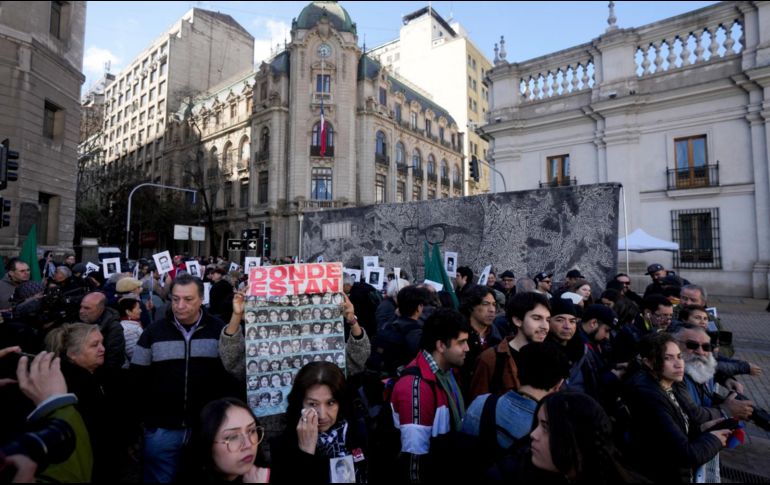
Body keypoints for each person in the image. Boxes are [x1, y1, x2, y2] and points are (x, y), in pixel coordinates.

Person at [131, 273, 239, 483]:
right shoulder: (153, 332)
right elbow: (136, 380)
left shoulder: (219, 331)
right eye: (175, 299)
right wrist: (141, 424)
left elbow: (232, 375)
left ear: (201, 299)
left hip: (205, 428)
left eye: (188, 299)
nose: (180, 305)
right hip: (161, 429)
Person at [623, 333, 728, 483]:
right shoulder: (649, 396)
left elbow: (673, 432)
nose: (679, 364)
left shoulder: (671, 383)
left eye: (679, 356)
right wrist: (715, 440)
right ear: (648, 362)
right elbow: (685, 455)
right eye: (668, 358)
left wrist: (702, 428)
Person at [390, 308, 470, 482]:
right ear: (441, 345)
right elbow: (414, 458)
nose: (467, 348)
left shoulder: (448, 372)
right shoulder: (416, 387)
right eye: (461, 342)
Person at [490, 392, 639, 483]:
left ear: (576, 438)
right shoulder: (511, 472)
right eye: (537, 425)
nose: (533, 435)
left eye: (546, 428)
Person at [45, 323, 122, 482]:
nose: (102, 349)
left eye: (102, 342)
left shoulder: (99, 375)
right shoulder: (70, 385)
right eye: (94, 345)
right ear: (72, 354)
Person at [270, 362, 368, 483]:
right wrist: (306, 452)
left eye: (330, 403)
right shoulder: (283, 445)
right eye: (313, 404)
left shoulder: (358, 431)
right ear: (300, 403)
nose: (322, 415)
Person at [181, 397, 270, 483]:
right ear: (207, 444)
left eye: (252, 430)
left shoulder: (264, 474)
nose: (248, 444)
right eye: (233, 437)